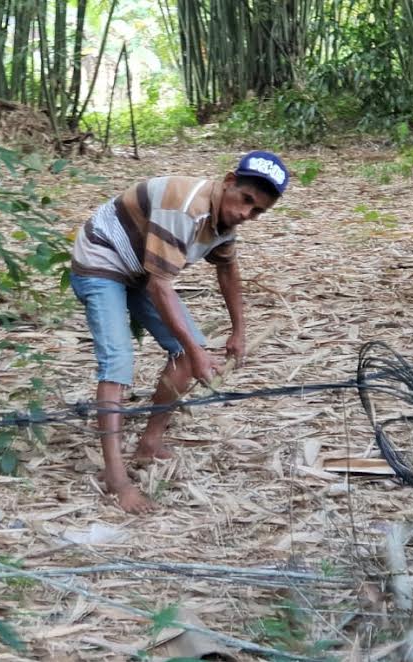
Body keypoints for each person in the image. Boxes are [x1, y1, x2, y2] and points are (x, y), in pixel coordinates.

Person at [69, 151, 289, 513]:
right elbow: (160, 287)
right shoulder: (184, 206)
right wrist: (199, 353)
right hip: (101, 262)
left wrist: (239, 331)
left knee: (188, 354)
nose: (245, 214)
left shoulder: (224, 220)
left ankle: (149, 443)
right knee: (118, 362)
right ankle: (115, 477)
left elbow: (227, 270)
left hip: (141, 269)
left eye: (257, 211)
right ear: (229, 180)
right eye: (246, 200)